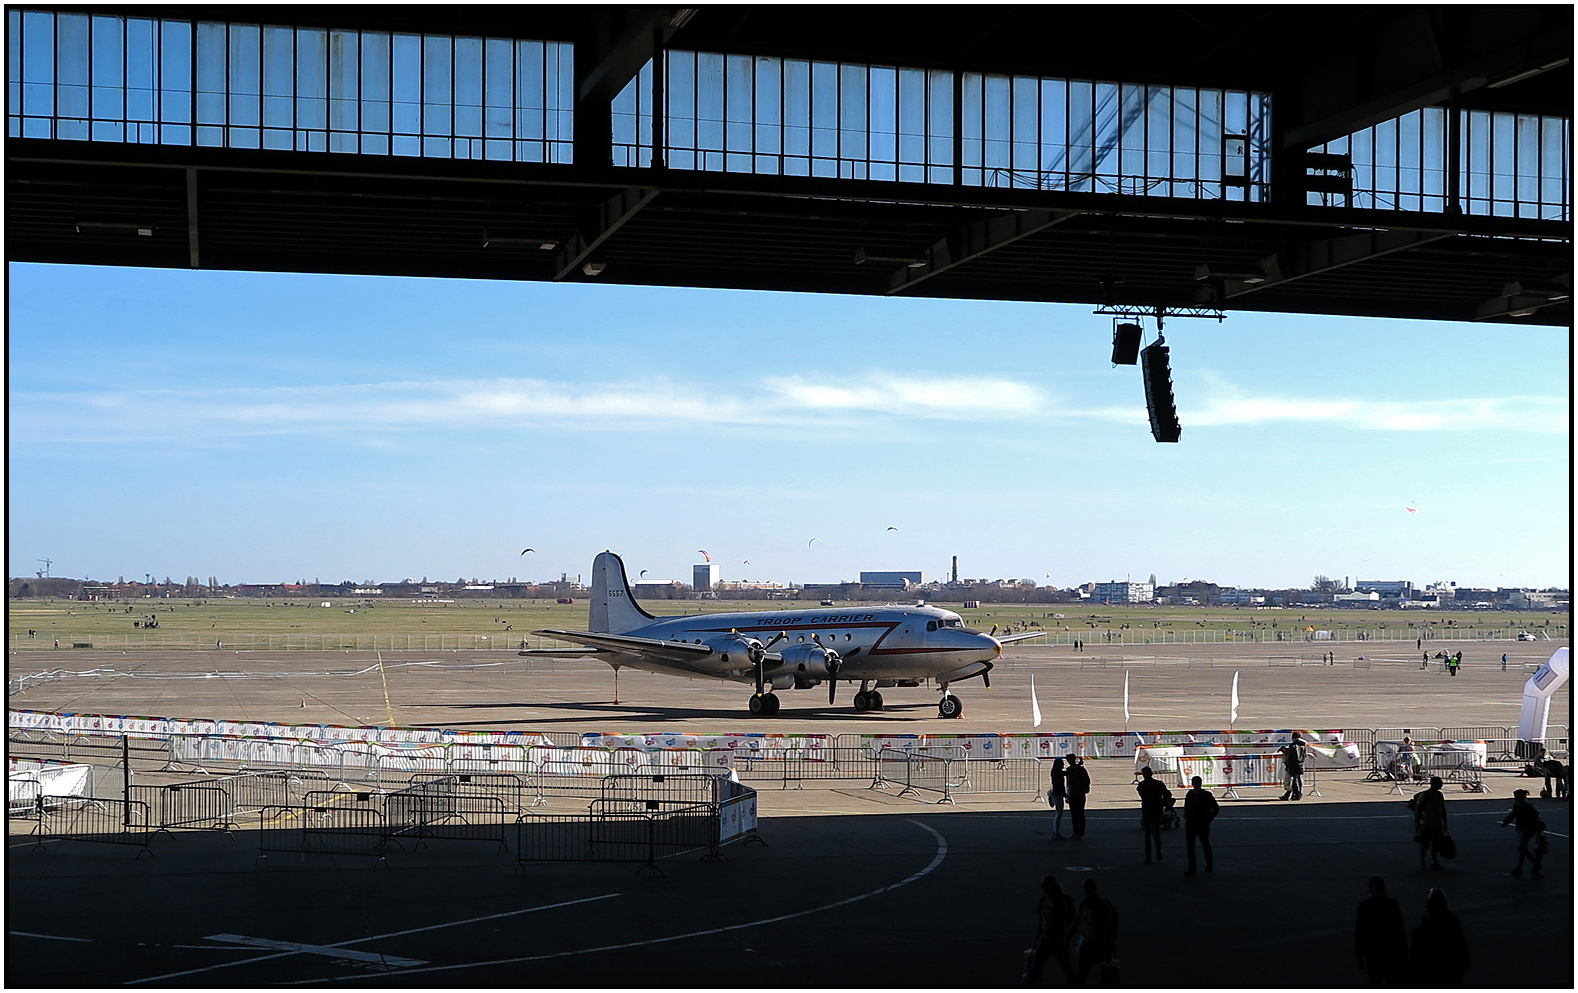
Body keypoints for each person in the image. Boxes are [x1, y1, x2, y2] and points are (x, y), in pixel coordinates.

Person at [1354, 875, 1408, 985]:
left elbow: (1360, 931)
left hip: (1373, 951)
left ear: (1370, 889)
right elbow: (1399, 930)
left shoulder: (1365, 906)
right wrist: (1404, 952)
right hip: (1391, 950)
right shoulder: (1392, 904)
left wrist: (1359, 955)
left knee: (1374, 980)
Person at [1410, 888, 1469, 984]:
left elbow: (1420, 945)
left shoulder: (1427, 919)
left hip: (1430, 966)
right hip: (1450, 965)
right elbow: (1459, 941)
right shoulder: (1451, 918)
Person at [1022, 874, 1073, 985]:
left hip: (1051, 939)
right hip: (1051, 939)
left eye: (1044, 886)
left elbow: (1063, 922)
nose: (1043, 888)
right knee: (1066, 968)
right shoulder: (1050, 900)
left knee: (1035, 969)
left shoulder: (1056, 902)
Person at [1069, 878, 1119, 985]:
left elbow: (1107, 931)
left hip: (1094, 945)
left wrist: (1068, 935)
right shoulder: (1096, 905)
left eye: (1088, 888)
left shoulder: (1096, 906)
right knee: (1104, 976)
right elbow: (1107, 931)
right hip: (1092, 945)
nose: (1086, 891)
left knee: (1081, 976)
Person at [1501, 789, 1546, 878]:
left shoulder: (1527, 808)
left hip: (1527, 829)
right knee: (1523, 849)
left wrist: (1534, 829)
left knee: (1521, 848)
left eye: (1517, 797)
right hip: (1522, 828)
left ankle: (1521, 867)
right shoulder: (1518, 806)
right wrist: (1506, 822)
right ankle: (1534, 865)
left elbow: (1535, 817)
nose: (1516, 799)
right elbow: (1513, 815)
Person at [1409, 777, 1449, 870]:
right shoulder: (1426, 795)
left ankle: (1432, 861)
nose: (1441, 785)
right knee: (1425, 843)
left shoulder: (1439, 795)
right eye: (1440, 783)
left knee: (1435, 843)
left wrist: (1444, 822)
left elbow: (1442, 809)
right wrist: (1418, 823)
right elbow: (1418, 811)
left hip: (1436, 822)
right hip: (1427, 822)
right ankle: (1424, 861)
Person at [1182, 775, 1219, 875]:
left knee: (1199, 845)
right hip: (1195, 822)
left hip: (1199, 822)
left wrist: (1208, 818)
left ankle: (1198, 866)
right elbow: (1215, 809)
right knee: (1198, 845)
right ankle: (1199, 865)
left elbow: (1215, 808)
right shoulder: (1198, 794)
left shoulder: (1194, 794)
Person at [1135, 766, 1170, 863]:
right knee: (1155, 832)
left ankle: (1148, 855)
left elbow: (1142, 795)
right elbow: (1167, 794)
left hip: (1147, 809)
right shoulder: (1158, 784)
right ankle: (1158, 851)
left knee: (1148, 833)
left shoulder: (1142, 785)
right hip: (1156, 809)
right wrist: (1163, 803)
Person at [1066, 756, 1091, 839]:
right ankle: (1075, 831)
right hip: (1073, 793)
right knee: (1074, 813)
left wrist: (1084, 789)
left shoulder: (1080, 769)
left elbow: (1087, 780)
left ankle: (1081, 832)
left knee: (1080, 813)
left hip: (1079, 793)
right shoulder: (1070, 769)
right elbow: (1068, 783)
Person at [1280, 732, 1308, 800]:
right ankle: (1290, 794)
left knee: (1293, 780)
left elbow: (1290, 755)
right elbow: (1304, 755)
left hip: (1293, 764)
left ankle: (1297, 794)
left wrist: (1284, 751)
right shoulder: (1304, 745)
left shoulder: (1293, 745)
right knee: (1297, 779)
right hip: (1300, 764)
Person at [1046, 758, 1068, 839]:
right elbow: (1066, 774)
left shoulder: (1054, 771)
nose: (1063, 765)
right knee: (1059, 814)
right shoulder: (1058, 772)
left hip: (1057, 793)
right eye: (1062, 763)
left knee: (1058, 813)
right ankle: (1056, 832)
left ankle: (1056, 832)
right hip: (1058, 794)